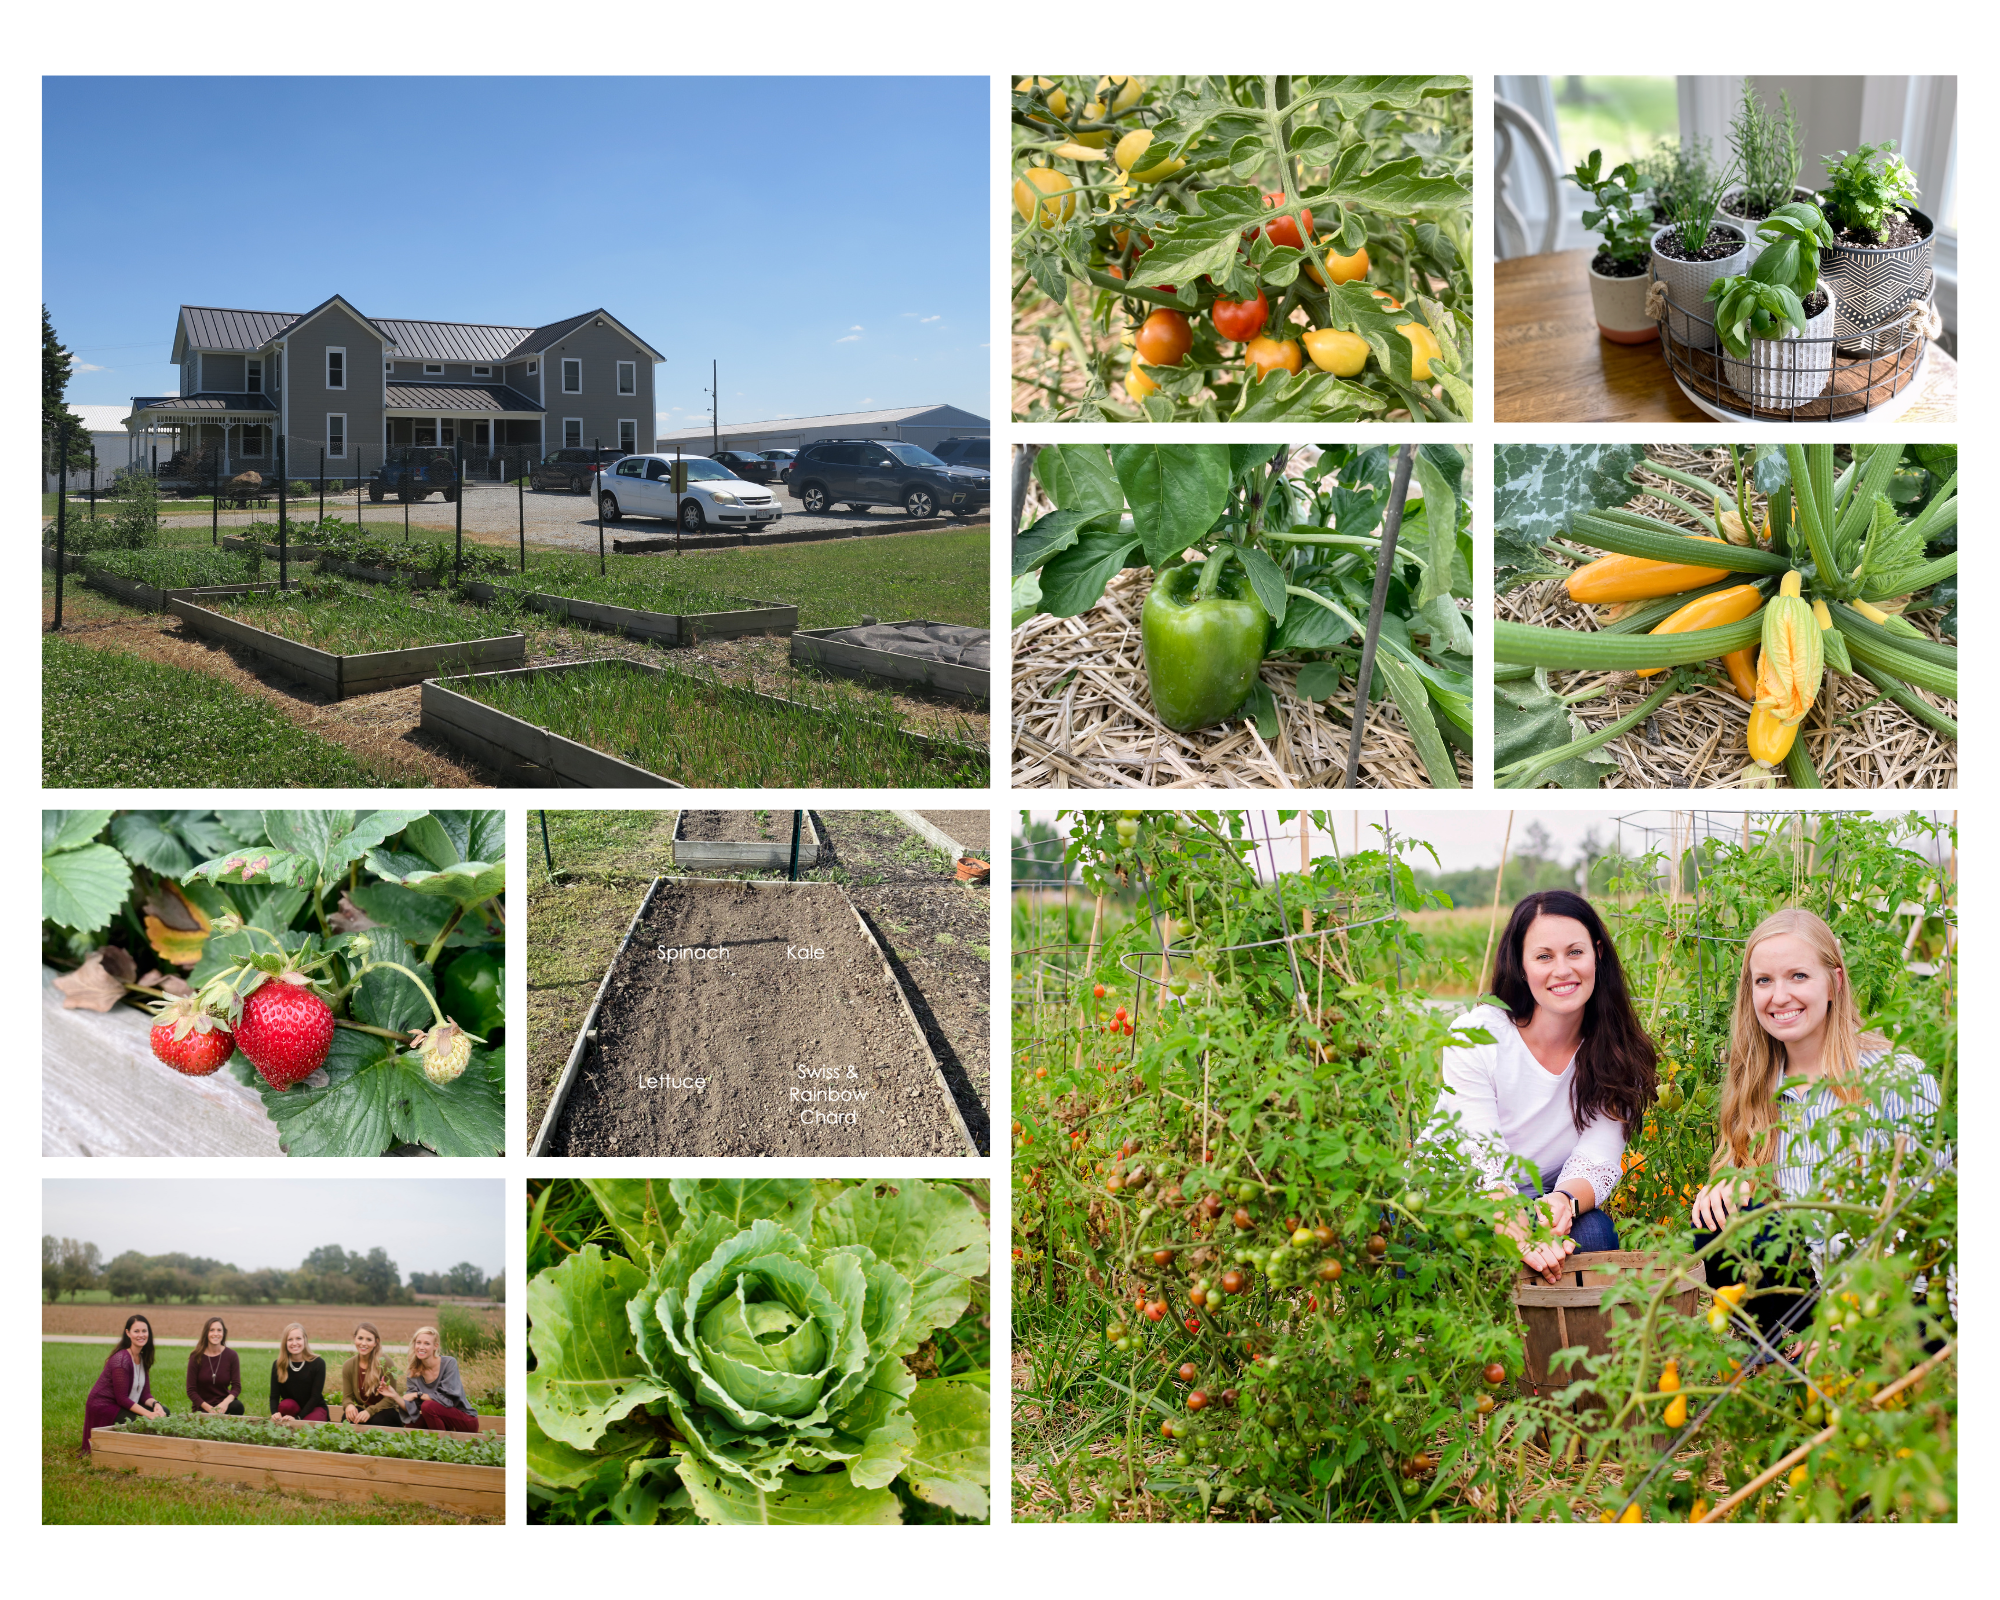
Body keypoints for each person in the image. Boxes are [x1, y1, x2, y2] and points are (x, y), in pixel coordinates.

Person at [1689, 908, 1950, 1349]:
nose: (1779, 996)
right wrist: (1725, 1186)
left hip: (1897, 1298)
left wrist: (1850, 1312)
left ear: (1835, 982)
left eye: (1798, 976)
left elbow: (1931, 1220)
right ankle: (1786, 1357)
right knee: (1719, 1220)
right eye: (1764, 981)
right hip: (1809, 1298)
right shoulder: (1757, 1088)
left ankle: (1844, 1361)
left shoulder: (1896, 1076)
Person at [1432, 890, 1657, 1284]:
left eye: (1575, 952)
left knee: (1595, 1233)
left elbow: (1598, 1157)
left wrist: (1561, 1203)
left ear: (1597, 954)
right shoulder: (1476, 1036)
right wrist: (1517, 1229)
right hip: (1455, 1194)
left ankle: (1539, 1324)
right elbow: (1479, 1152)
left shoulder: (1617, 1051)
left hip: (1539, 1202)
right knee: (1439, 1241)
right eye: (1543, 956)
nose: (1562, 970)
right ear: (1520, 966)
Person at [80, 1314, 169, 1453]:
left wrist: (156, 1405)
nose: (141, 1335)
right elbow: (122, 1398)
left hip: (121, 1403)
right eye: (136, 1331)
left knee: (165, 1412)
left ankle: (154, 1448)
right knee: (141, 1421)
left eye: (144, 1331)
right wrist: (148, 1414)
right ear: (128, 1333)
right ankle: (142, 1450)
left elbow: (145, 1394)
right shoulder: (121, 1360)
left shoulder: (142, 1358)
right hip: (104, 1406)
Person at [399, 1325, 479, 1433]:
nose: (421, 1347)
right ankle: (432, 1443)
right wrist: (394, 1396)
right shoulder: (413, 1372)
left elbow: (446, 1400)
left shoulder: (449, 1363)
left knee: (428, 1406)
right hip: (440, 1419)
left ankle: (441, 1445)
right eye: (418, 1342)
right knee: (411, 1421)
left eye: (427, 1343)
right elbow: (412, 1406)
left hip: (464, 1420)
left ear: (435, 1346)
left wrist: (417, 1394)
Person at [339, 1323, 403, 1427]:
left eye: (369, 1340)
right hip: (364, 1408)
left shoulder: (385, 1363)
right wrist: (349, 1405)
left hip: (386, 1410)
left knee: (378, 1421)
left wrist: (370, 1411)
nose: (363, 1343)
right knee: (347, 1419)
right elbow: (347, 1396)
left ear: (376, 1342)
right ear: (355, 1339)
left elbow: (390, 1399)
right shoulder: (348, 1365)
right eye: (360, 1338)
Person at [268, 1323, 329, 1424]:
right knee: (285, 1405)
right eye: (290, 1339)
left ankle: (300, 1422)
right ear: (285, 1342)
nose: (294, 1343)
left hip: (315, 1408)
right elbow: (274, 1395)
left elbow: (315, 1396)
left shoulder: (318, 1363)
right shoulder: (278, 1364)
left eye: (298, 1338)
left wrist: (298, 1419)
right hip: (293, 1408)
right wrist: (274, 1413)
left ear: (305, 1340)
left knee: (307, 1425)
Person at [186, 1316, 244, 1416]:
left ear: (223, 1333)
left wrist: (224, 1404)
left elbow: (236, 1387)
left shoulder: (232, 1356)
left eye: (219, 1330)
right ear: (206, 1333)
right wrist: (210, 1409)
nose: (216, 1334)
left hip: (224, 1407)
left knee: (237, 1406)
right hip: (202, 1407)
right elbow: (191, 1390)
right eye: (211, 1330)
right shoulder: (196, 1357)